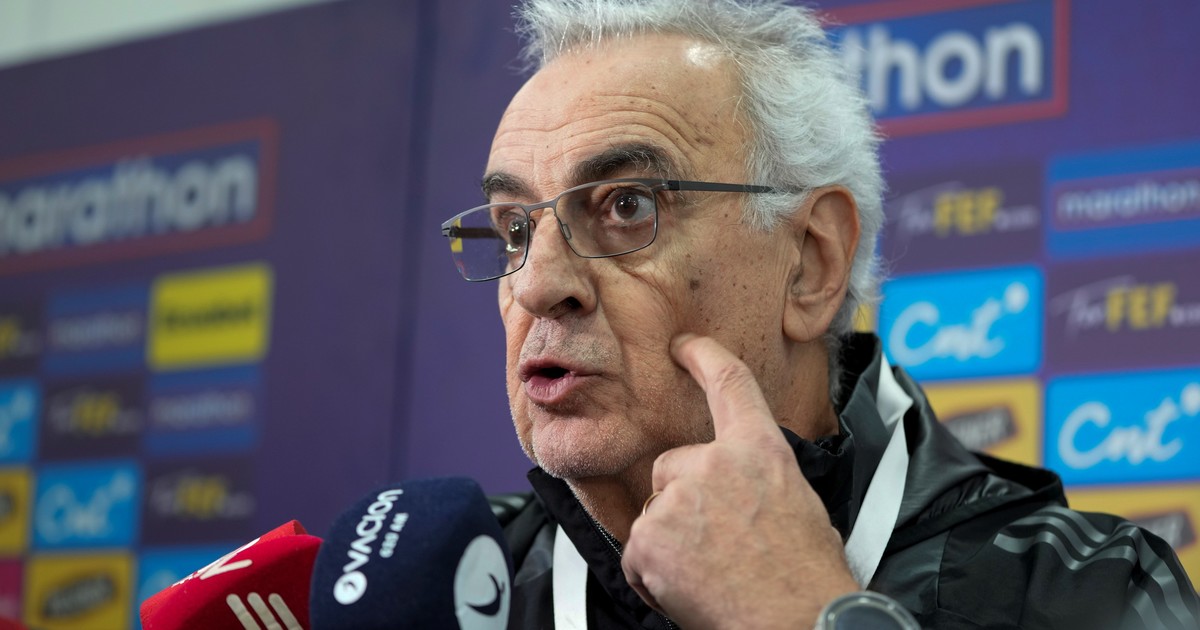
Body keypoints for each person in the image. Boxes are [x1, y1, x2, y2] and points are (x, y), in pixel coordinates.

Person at [439, 0, 1200, 627]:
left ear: (811, 263)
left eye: (628, 206)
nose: (536, 285)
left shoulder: (1084, 592)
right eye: (515, 228)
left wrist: (802, 615)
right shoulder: (454, 583)